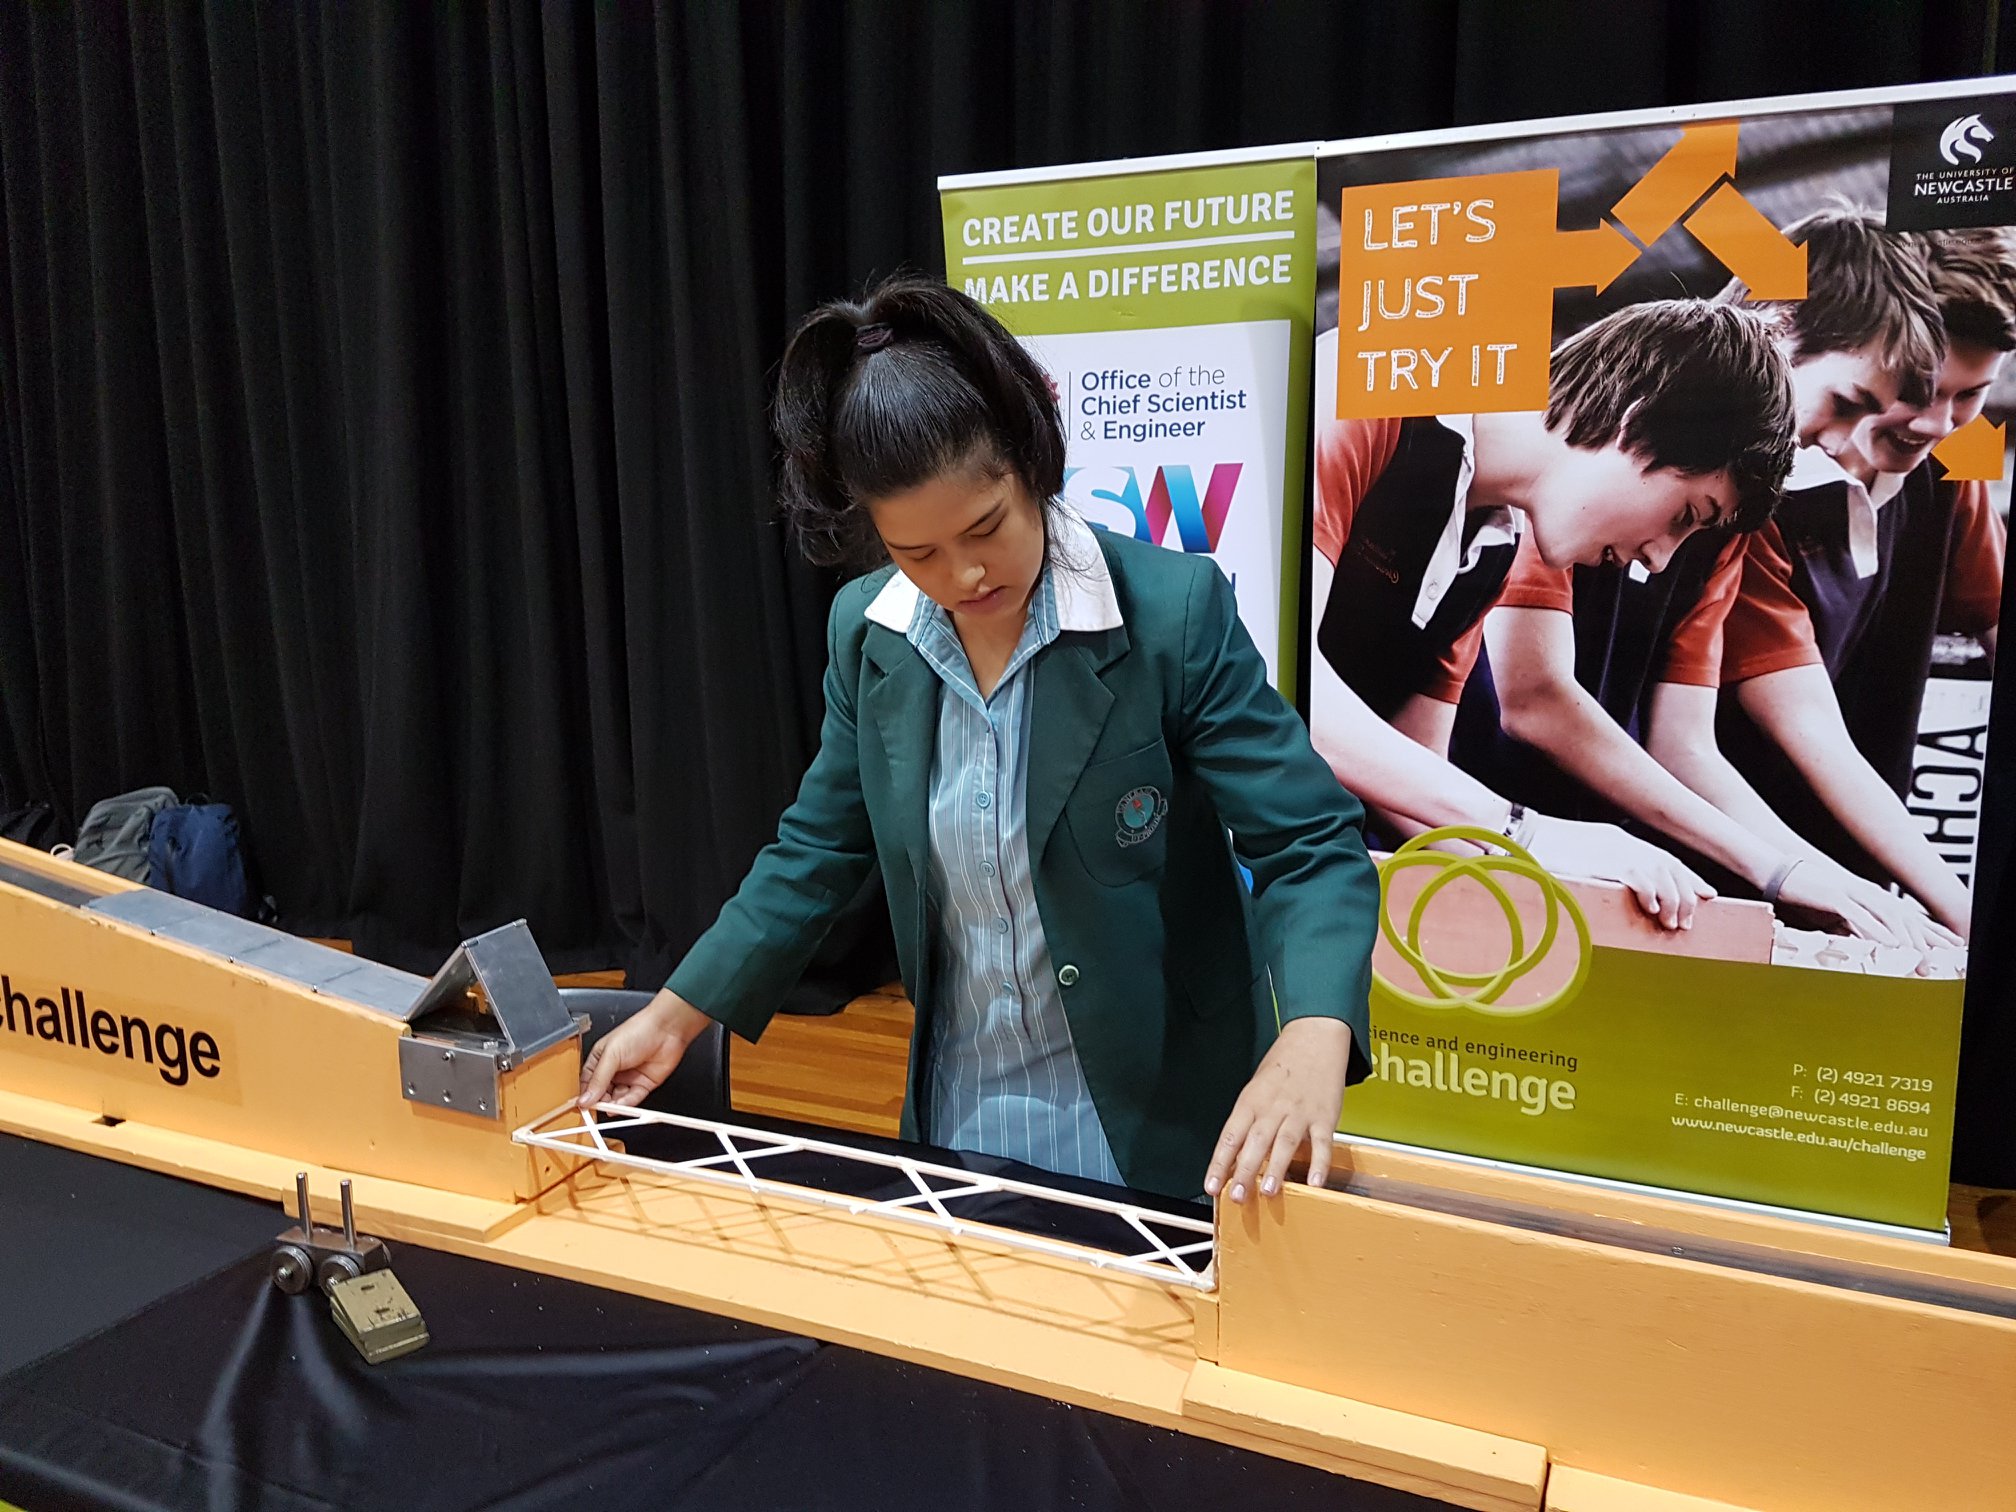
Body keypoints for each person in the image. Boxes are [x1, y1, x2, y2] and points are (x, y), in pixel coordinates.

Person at [579, 274, 1381, 1205]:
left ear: (1031, 459)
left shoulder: (1171, 614)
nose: (963, 574)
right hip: (959, 1110)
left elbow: (1310, 844)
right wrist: (678, 1014)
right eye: (916, 554)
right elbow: (816, 852)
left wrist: (1316, 1024)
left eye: (986, 528)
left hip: (1157, 1110)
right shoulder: (870, 637)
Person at [1454, 209, 1956, 947]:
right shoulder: (1580, 458)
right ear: (1777, 327)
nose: (1844, 444)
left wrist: (1806, 873)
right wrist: (1777, 868)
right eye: (1846, 403)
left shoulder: (1731, 525)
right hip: (1489, 840)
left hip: (1603, 865)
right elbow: (1535, 698)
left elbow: (1686, 741)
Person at [1308, 298, 1793, 928]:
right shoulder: (1368, 388)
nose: (1659, 562)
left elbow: (1414, 797)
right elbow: (1274, 679)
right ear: (1636, 416)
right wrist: (1528, 832)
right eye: (1684, 517)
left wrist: (1587, 882)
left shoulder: (1489, 548)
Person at [1703, 224, 2016, 936]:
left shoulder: (1952, 464)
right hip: (1730, 876)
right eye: (1921, 390)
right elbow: (1805, 723)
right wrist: (1966, 913)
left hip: (1869, 890)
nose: (1938, 423)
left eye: (1972, 396)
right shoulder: (1747, 491)